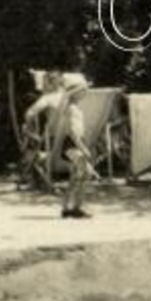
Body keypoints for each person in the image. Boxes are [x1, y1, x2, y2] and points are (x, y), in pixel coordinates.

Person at [52, 75, 94, 219]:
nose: (85, 93)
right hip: (73, 143)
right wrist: (83, 148)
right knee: (84, 172)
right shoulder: (71, 109)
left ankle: (68, 207)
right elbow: (72, 131)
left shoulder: (73, 108)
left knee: (78, 175)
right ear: (75, 92)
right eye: (82, 90)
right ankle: (76, 207)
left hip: (74, 142)